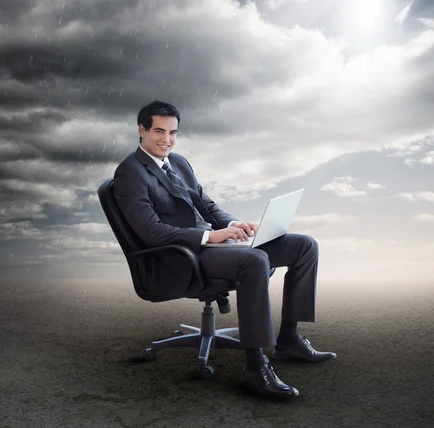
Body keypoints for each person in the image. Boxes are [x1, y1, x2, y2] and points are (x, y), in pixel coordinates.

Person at [113, 100, 336, 399]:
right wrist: (211, 238)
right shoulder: (130, 173)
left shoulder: (179, 163)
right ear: (141, 130)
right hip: (179, 256)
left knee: (304, 246)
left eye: (173, 133)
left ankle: (289, 340)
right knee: (254, 261)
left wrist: (233, 225)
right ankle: (255, 368)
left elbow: (207, 205)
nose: (167, 140)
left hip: (214, 243)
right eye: (158, 131)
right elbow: (151, 233)